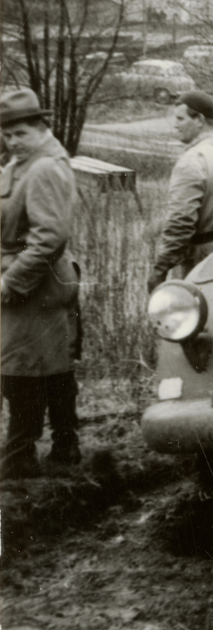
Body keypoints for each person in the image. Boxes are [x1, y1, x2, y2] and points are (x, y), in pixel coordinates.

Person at [1, 88, 82, 478]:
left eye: (21, 133)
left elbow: (49, 237)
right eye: (7, 134)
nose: (12, 141)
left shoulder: (44, 167)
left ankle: (20, 459)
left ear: (41, 127)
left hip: (35, 287)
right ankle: (65, 447)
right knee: (49, 366)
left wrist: (10, 282)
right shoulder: (23, 163)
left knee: (22, 372)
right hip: (38, 285)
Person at [147, 90, 213, 292]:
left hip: (206, 265)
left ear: (199, 120)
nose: (175, 125)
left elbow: (180, 223)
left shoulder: (192, 161)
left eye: (180, 119)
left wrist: (160, 270)